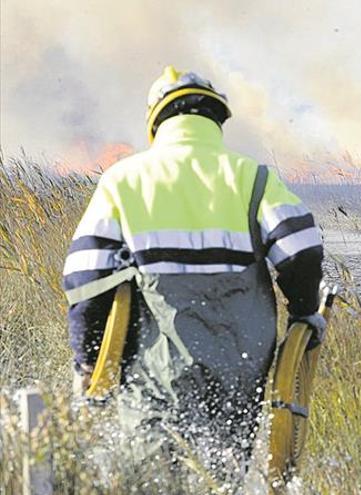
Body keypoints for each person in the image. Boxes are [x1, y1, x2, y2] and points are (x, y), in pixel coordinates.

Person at [61, 66, 325, 482]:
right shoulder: (253, 178)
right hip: (242, 367)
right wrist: (305, 312)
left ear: (157, 123)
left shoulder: (122, 181)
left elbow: (85, 280)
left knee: (152, 477)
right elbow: (302, 253)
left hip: (154, 374)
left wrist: (87, 365)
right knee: (224, 474)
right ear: (216, 120)